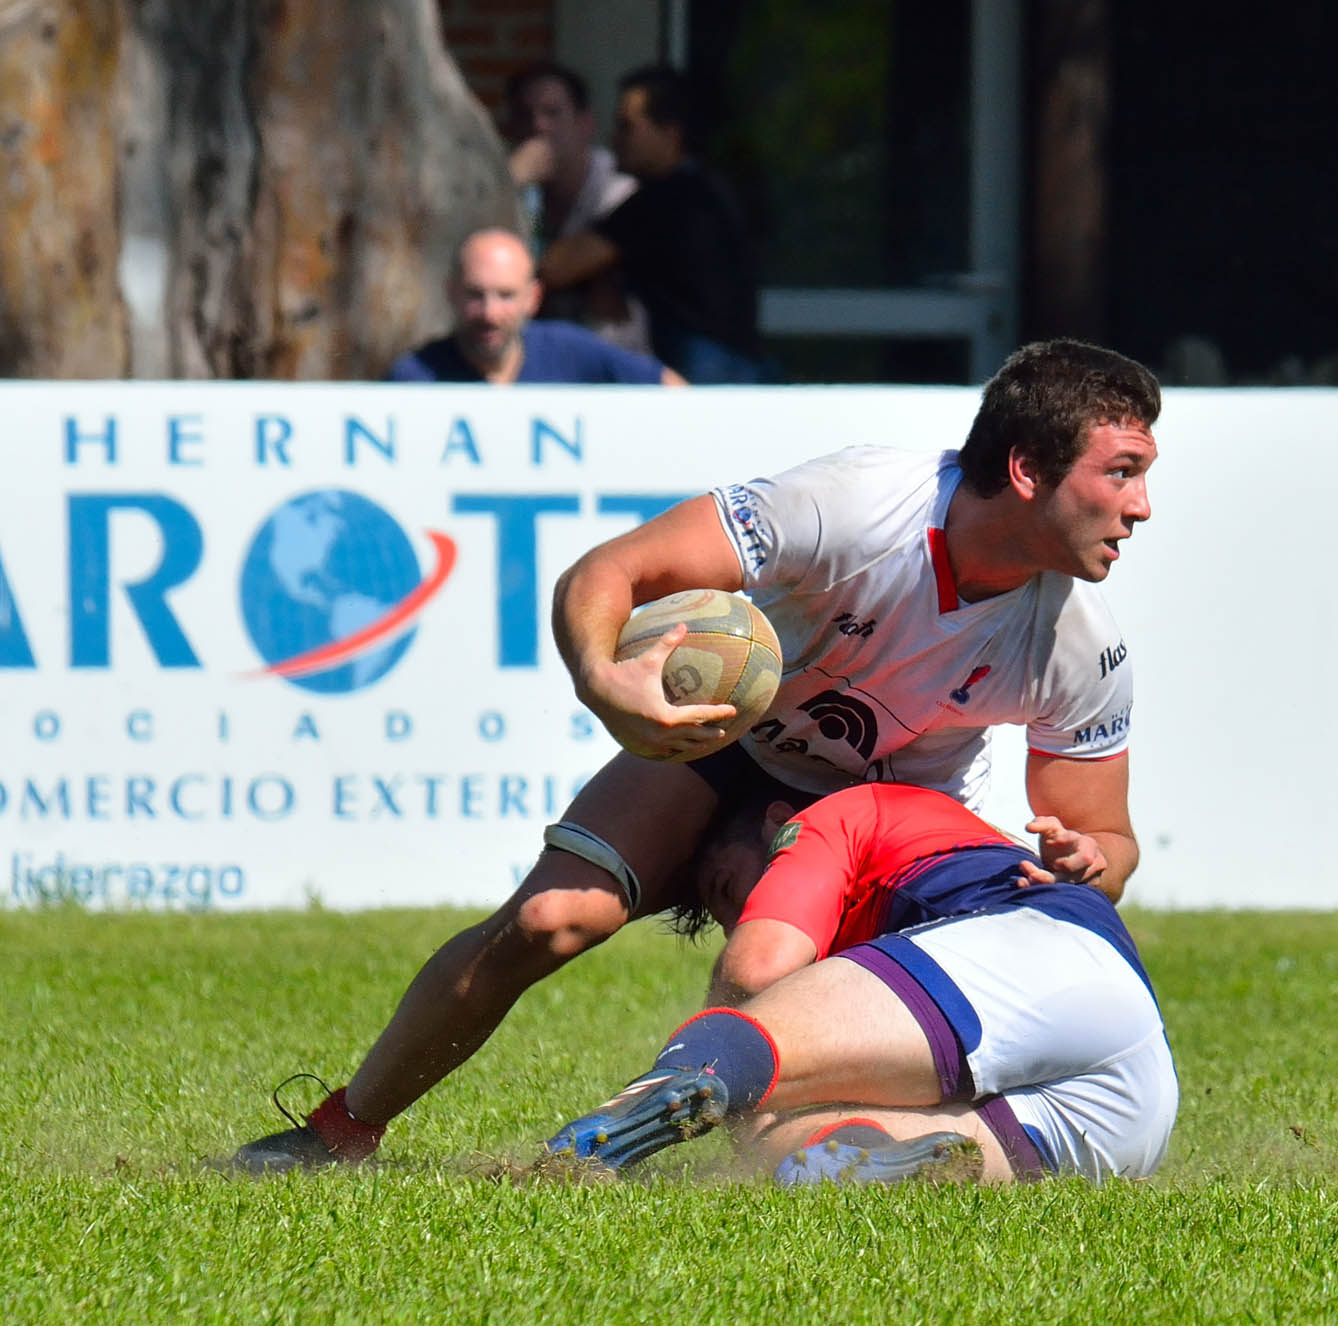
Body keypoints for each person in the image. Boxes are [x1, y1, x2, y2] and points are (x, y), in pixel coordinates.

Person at [231, 337, 1160, 1174]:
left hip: (876, 828)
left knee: (808, 1070)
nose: (1142, 507)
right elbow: (609, 572)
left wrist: (1089, 861)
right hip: (719, 749)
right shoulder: (852, 508)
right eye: (1121, 473)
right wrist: (603, 676)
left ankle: (905, 1161)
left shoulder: (1080, 645)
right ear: (1027, 469)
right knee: (552, 918)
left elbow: (1104, 839)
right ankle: (337, 1133)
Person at [543, 782, 1179, 1185]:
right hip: (1135, 1104)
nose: (744, 916)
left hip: (1031, 947)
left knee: (737, 1064)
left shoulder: (836, 814)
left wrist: (716, 1049)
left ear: (775, 824)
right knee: (790, 1137)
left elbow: (755, 968)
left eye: (730, 890)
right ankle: (867, 1158)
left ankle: (577, 1146)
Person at [539, 65, 765, 384]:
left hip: (702, 365)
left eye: (627, 127)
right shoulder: (708, 189)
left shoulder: (667, 197)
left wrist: (523, 185)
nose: (614, 138)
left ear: (670, 134)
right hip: (741, 360)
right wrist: (604, 278)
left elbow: (554, 268)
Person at [388, 228, 685, 386]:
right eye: (475, 295)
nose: (490, 314)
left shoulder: (571, 350)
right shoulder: (415, 379)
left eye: (506, 296)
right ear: (450, 293)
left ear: (533, 298)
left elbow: (671, 390)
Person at [502, 61, 652, 355]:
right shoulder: (511, 188)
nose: (538, 126)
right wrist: (510, 182)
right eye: (525, 115)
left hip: (613, 365)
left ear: (584, 123)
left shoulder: (619, 192)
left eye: (552, 113)